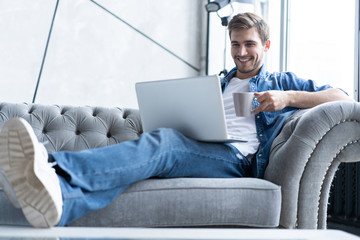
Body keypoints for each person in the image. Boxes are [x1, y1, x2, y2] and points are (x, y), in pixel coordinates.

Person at [0, 12, 353, 228]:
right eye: (235, 44)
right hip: (203, 149)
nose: (242, 52)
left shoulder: (281, 82)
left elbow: (343, 99)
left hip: (238, 160)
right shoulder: (220, 82)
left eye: (249, 44)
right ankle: (59, 204)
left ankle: (50, 166)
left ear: (266, 45)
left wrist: (288, 99)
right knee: (144, 161)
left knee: (165, 145)